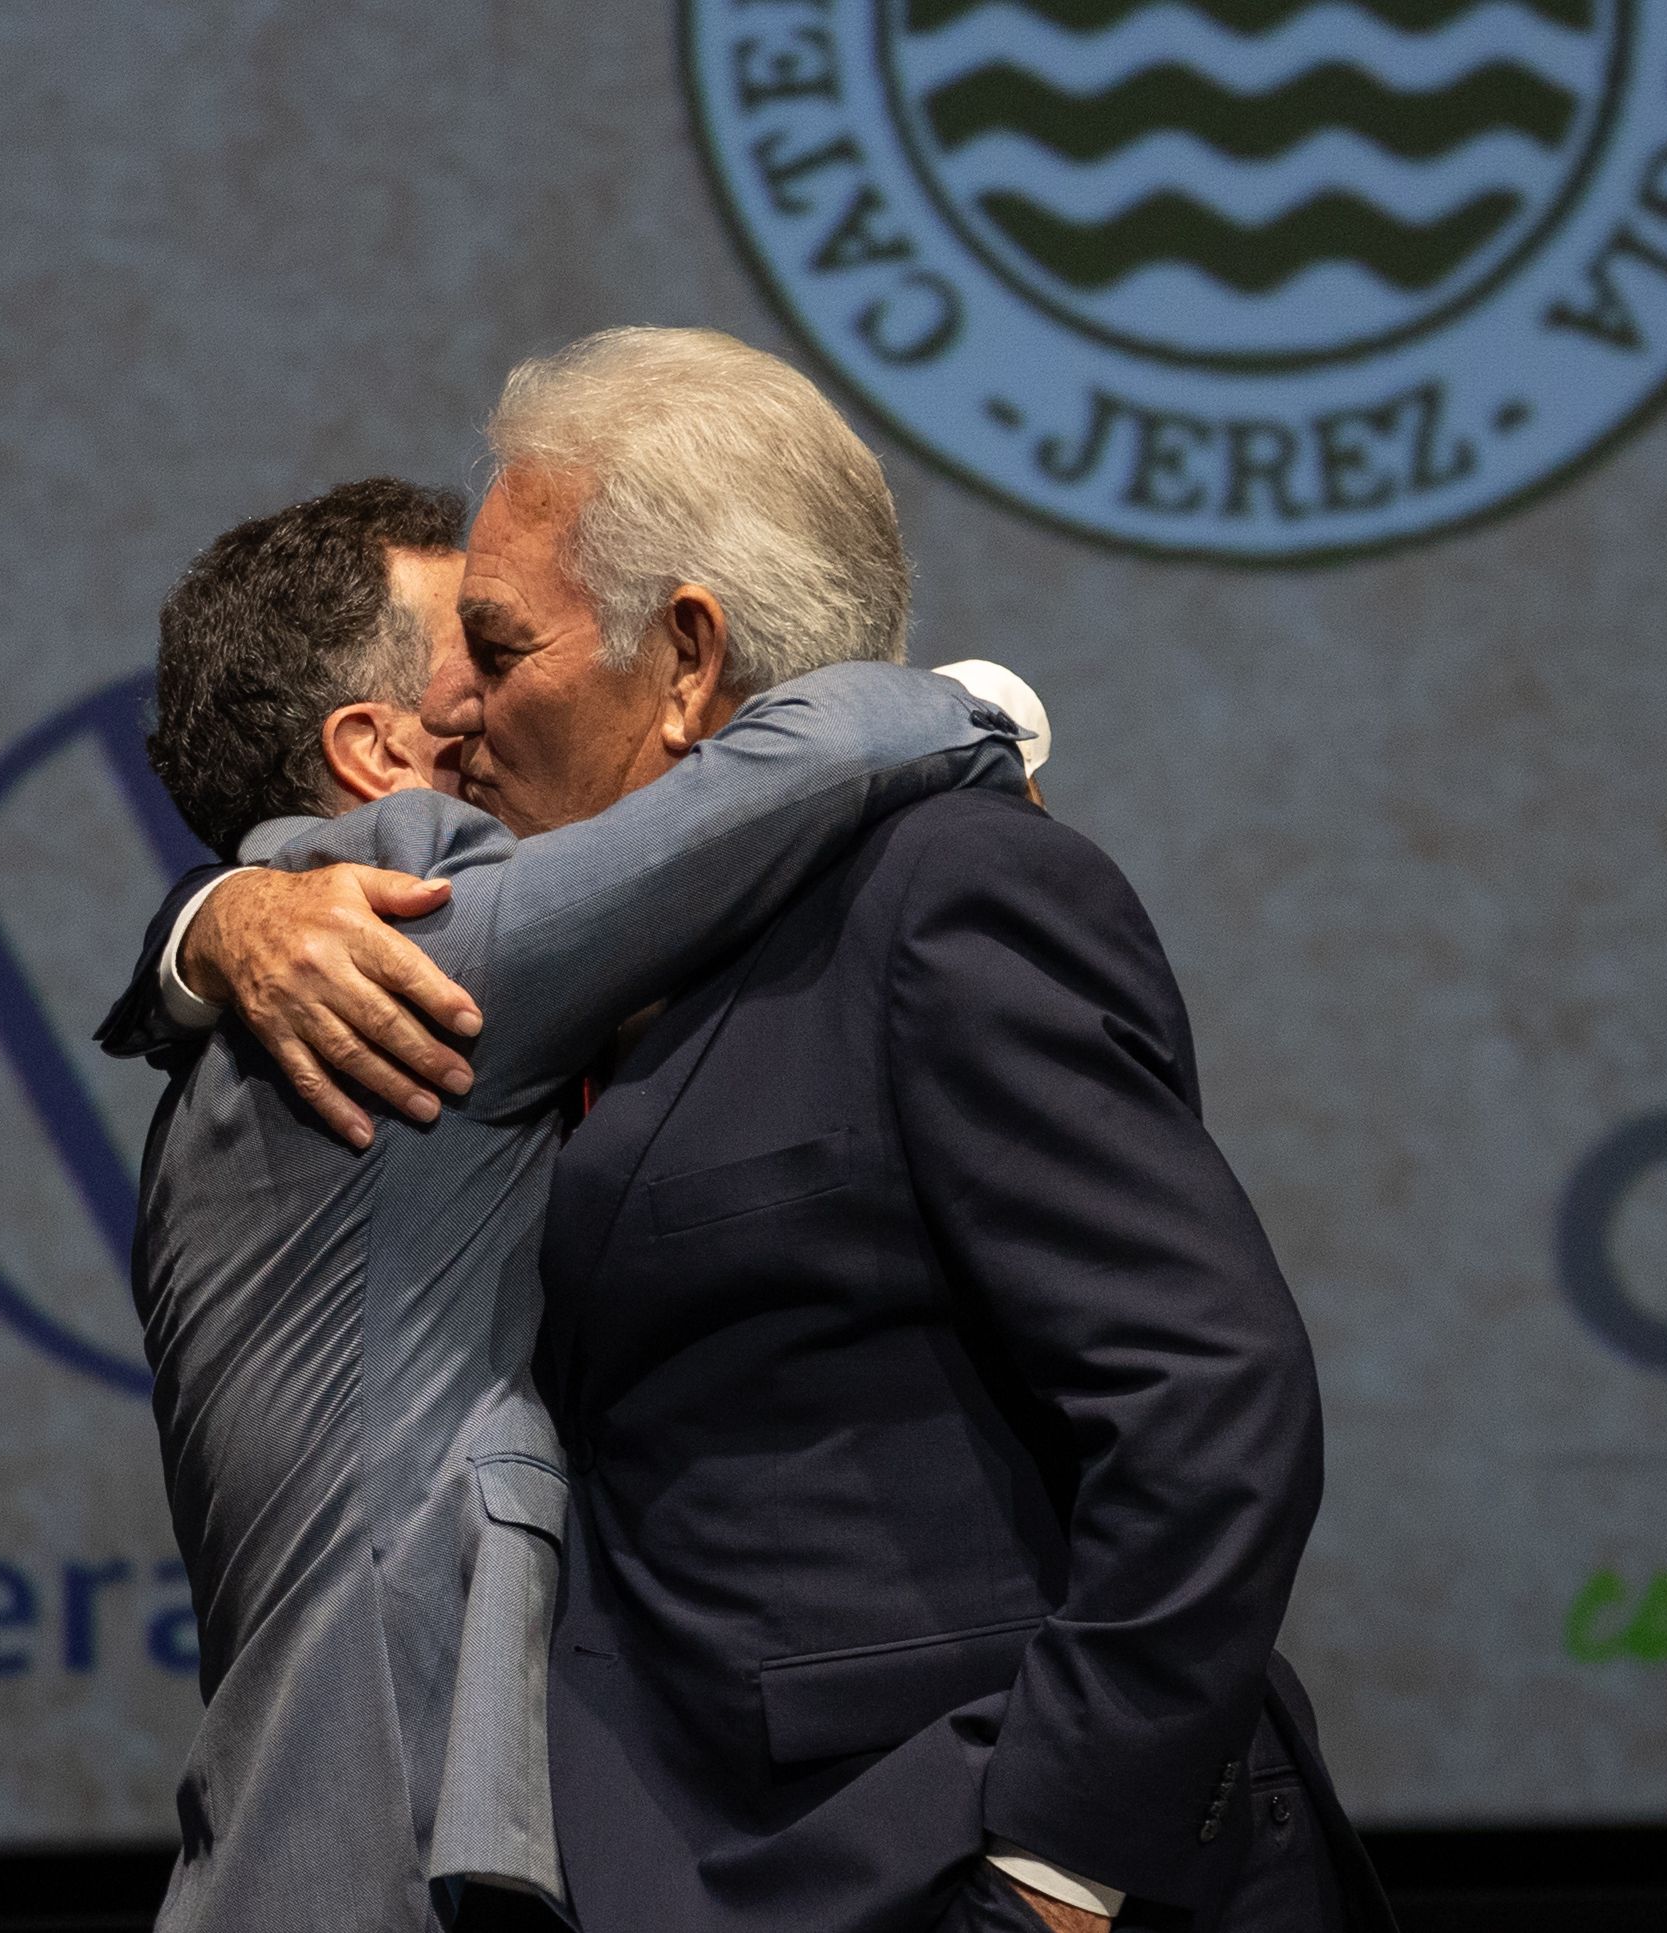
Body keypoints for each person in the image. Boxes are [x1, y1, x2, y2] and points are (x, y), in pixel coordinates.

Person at [171, 328, 1394, 1933]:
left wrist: (1054, 1865)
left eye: (500, 644)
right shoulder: (535, 961)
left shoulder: (946, 890)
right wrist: (220, 916)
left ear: (687, 660)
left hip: (969, 1851)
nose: (458, 718)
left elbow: (1208, 1395)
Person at [97, 477, 1027, 1933]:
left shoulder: (288, 984)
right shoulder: (402, 936)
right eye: (482, 644)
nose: (523, 682)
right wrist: (977, 708)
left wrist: (199, 929)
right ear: (376, 749)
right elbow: (811, 759)